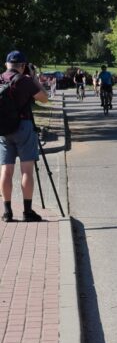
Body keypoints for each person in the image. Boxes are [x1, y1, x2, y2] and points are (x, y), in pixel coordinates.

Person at [1, 51, 49, 222]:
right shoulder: (25, 80)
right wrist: (34, 77)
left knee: (6, 170)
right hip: (24, 126)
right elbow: (44, 99)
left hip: (4, 129)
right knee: (26, 169)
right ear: (23, 66)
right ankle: (27, 211)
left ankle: (7, 212)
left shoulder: (0, 79)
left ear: (7, 64)